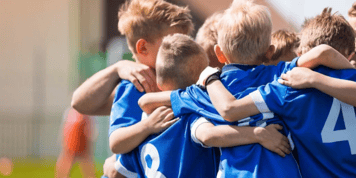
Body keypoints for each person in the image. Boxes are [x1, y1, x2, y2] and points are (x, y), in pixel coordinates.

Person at [138, 2, 355, 177]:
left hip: (235, 173)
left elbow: (146, 102)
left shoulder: (204, 91)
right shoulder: (281, 77)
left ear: (219, 53)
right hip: (282, 171)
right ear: (270, 51)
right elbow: (323, 52)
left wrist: (205, 78)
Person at [202, 7, 356, 177]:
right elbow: (325, 52)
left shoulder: (288, 85)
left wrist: (209, 78)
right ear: (350, 54)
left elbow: (230, 110)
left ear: (301, 52)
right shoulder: (348, 78)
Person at [116, 34, 291, 177]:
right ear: (200, 84)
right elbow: (208, 135)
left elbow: (117, 170)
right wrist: (259, 134)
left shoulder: (145, 121)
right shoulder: (190, 116)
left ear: (160, 84)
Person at [102, 0, 194, 177]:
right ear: (143, 47)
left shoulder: (180, 82)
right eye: (171, 44)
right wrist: (148, 126)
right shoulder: (134, 86)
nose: (181, 50)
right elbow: (116, 142)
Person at [56, 108, 96, 178]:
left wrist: (89, 142)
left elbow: (89, 130)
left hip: (82, 143)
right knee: (66, 162)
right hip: (71, 143)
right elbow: (65, 129)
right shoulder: (69, 113)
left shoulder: (87, 115)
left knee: (86, 164)